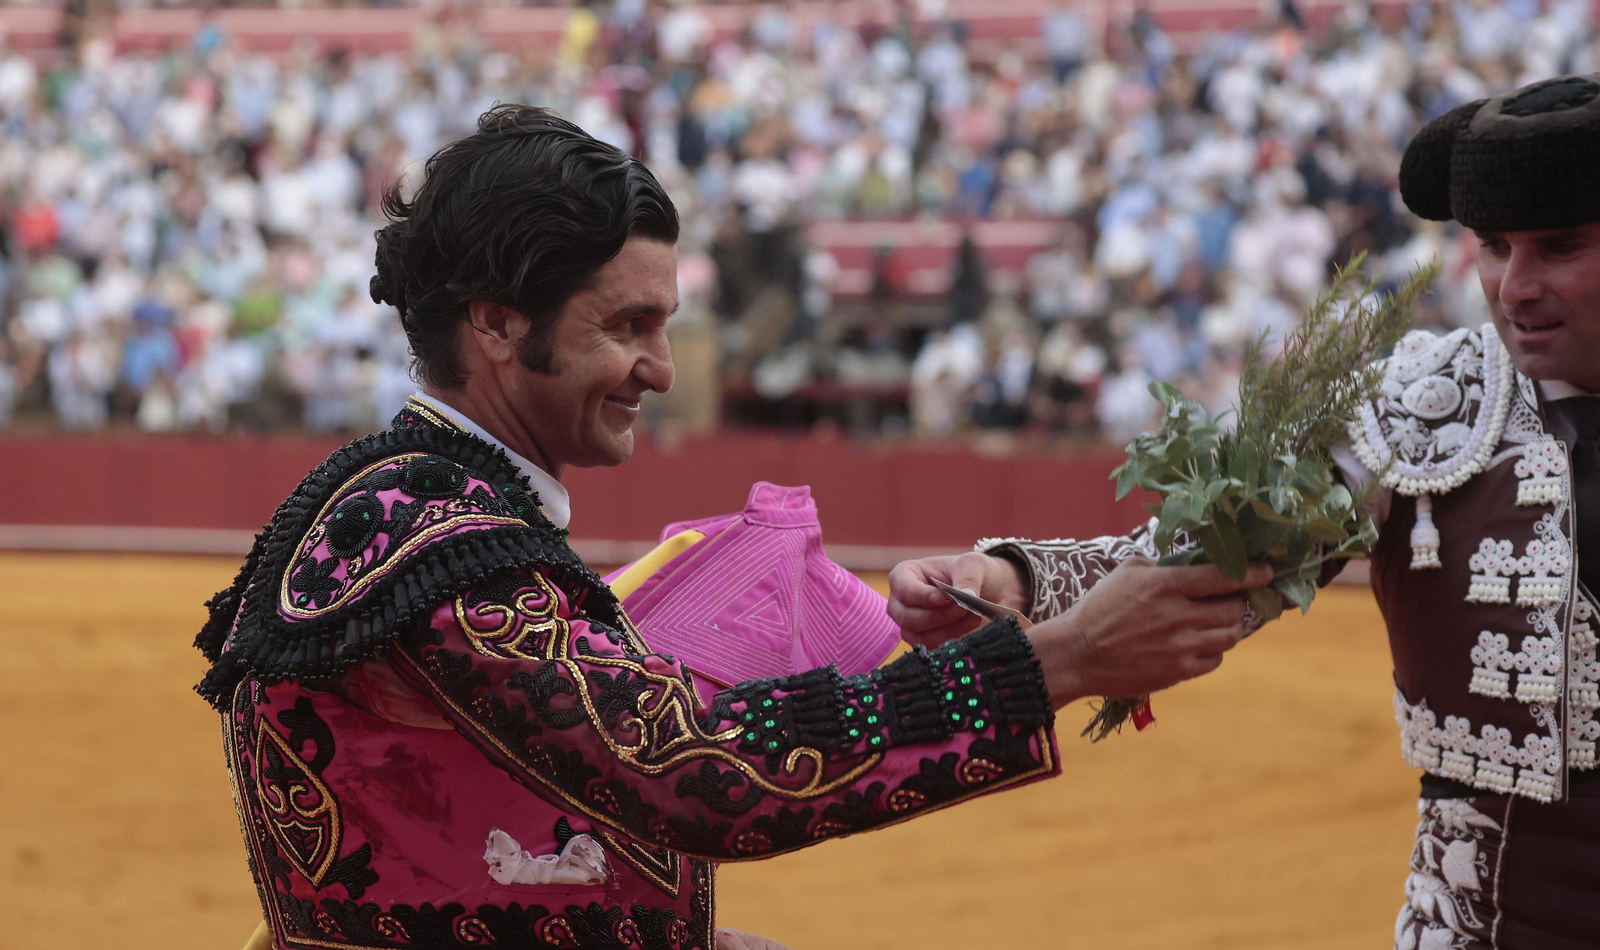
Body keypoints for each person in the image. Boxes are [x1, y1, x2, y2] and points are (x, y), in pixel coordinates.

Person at [197, 105, 1271, 950]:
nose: (662, 370)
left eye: (663, 324)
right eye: (628, 325)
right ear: (497, 321)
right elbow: (691, 769)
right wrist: (1061, 659)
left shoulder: (418, 504)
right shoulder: (429, 528)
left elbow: (448, 846)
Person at [889, 74, 1600, 950]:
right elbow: (1209, 555)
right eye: (1493, 246)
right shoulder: (1421, 407)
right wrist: (1017, 584)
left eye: (1559, 248)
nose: (1514, 286)